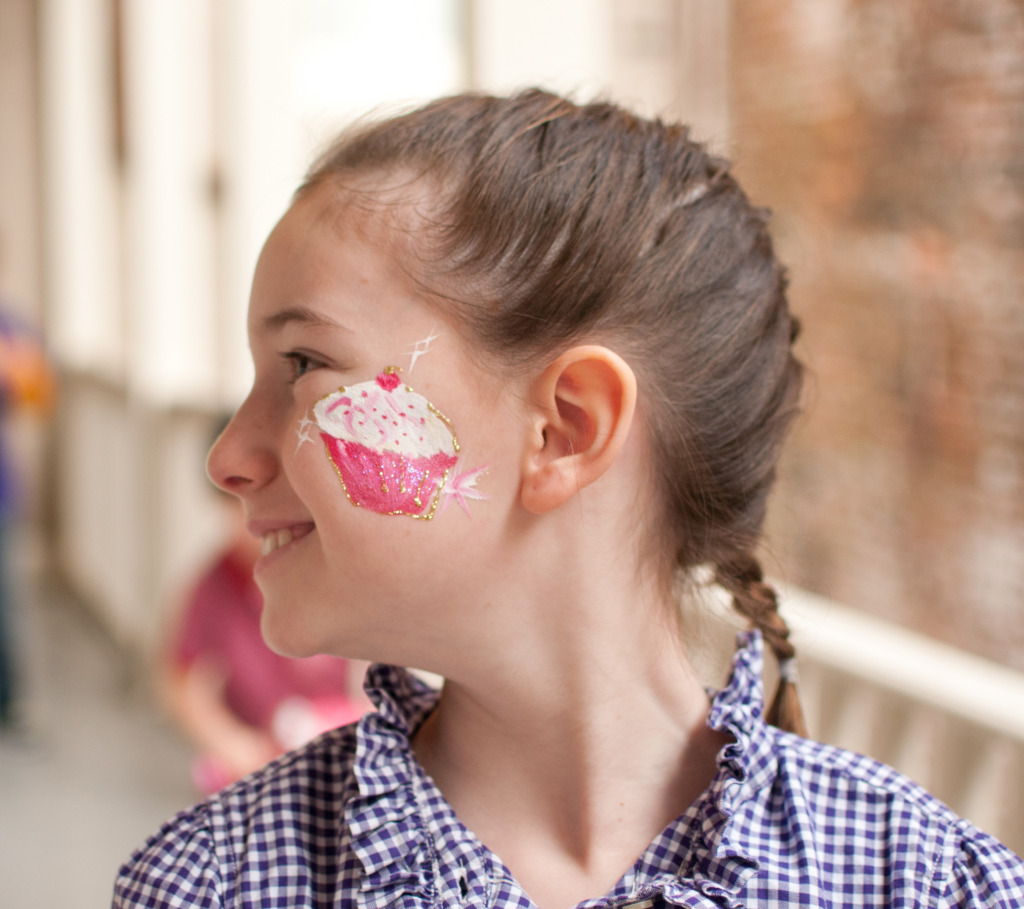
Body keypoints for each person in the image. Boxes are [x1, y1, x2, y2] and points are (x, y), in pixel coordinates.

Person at [113, 90, 1024, 908]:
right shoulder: (209, 885)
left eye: (305, 364)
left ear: (564, 429)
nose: (227, 457)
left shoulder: (927, 885)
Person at [160, 451, 369, 794]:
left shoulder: (334, 570)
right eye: (236, 509)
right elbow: (184, 683)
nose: (252, 526)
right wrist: (235, 745)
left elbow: (376, 676)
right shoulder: (214, 585)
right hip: (263, 750)